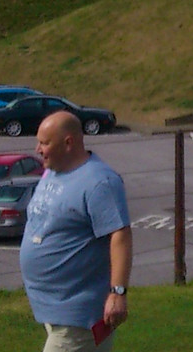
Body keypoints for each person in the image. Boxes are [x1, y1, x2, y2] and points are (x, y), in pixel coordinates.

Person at [20, 110, 132, 352]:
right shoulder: (52, 171)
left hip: (78, 316)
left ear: (68, 143)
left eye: (44, 143)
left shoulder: (100, 182)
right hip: (53, 310)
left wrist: (118, 293)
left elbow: (120, 235)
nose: (38, 150)